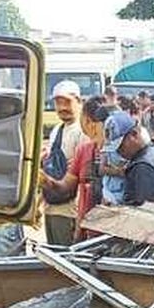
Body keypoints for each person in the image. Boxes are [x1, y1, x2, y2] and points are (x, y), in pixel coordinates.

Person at [42, 96, 109, 241]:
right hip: (84, 231)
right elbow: (65, 186)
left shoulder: (118, 153)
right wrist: (45, 180)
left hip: (109, 234)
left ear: (87, 121)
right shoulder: (84, 150)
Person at [40, 79, 86, 245]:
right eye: (58, 103)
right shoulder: (57, 130)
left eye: (67, 102)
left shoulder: (82, 131)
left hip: (69, 210)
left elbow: (82, 174)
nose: (62, 108)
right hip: (51, 205)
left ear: (79, 102)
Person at [106, 111, 154, 205]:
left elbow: (146, 212)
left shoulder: (143, 167)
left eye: (120, 146)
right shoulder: (152, 151)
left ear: (134, 134)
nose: (118, 151)